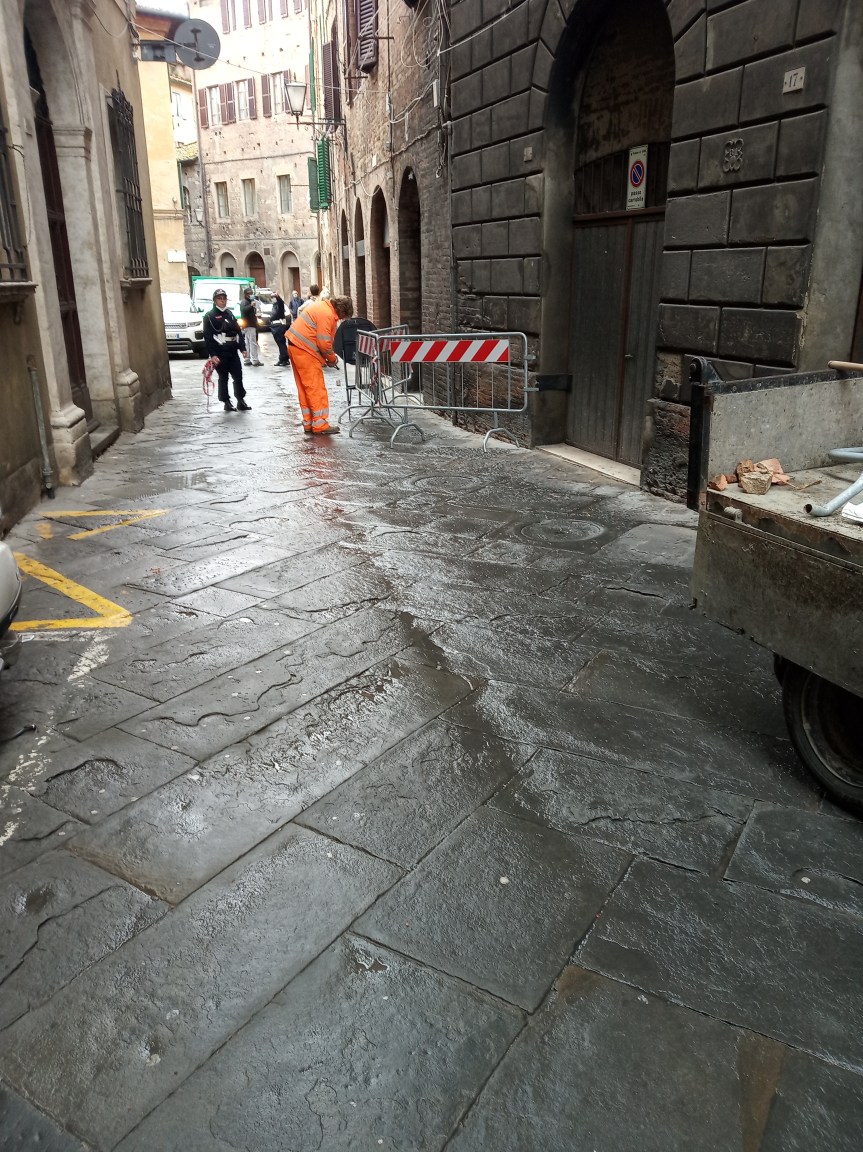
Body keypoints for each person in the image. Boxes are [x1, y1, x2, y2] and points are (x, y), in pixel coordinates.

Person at [287, 294, 353, 435]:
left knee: (304, 388)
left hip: (295, 346)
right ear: (342, 310)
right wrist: (332, 359)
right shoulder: (327, 314)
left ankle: (309, 422)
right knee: (315, 387)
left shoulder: (322, 307)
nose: (340, 320)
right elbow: (324, 343)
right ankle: (320, 424)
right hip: (305, 350)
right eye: (342, 317)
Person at [203, 289, 251, 412]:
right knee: (223, 378)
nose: (222, 301)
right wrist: (213, 354)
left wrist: (242, 348)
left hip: (232, 351)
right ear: (215, 301)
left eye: (224, 298)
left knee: (238, 376)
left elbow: (238, 332)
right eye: (219, 298)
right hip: (220, 352)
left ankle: (240, 400)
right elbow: (208, 337)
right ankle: (226, 401)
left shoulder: (230, 314)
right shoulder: (209, 316)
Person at [239, 287, 263, 366]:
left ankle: (247, 359)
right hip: (249, 325)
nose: (251, 295)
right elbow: (243, 310)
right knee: (252, 343)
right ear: (246, 294)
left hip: (250, 325)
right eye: (249, 294)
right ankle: (255, 360)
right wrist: (251, 305)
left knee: (248, 342)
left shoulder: (249, 301)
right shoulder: (245, 302)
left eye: (251, 293)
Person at [268, 284, 290, 366]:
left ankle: (284, 358)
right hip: (274, 326)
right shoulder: (274, 306)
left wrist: (278, 296)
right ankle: (283, 358)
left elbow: (281, 302)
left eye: (273, 297)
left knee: (281, 343)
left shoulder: (279, 305)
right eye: (272, 297)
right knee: (280, 343)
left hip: (278, 326)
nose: (272, 299)